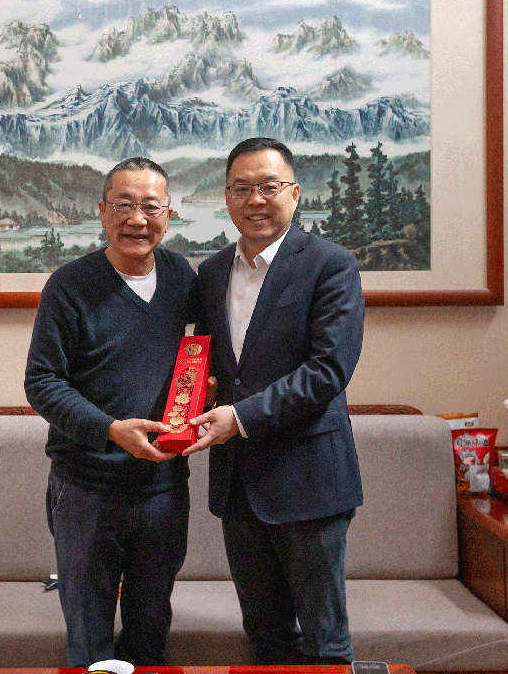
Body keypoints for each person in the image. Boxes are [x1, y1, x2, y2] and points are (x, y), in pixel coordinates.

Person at [185, 137, 365, 664]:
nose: (255, 200)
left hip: (309, 478)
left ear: (295, 193)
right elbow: (209, 364)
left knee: (325, 645)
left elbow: (328, 370)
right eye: (241, 189)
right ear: (227, 197)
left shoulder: (331, 264)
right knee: (265, 640)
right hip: (238, 485)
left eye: (268, 186)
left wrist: (239, 417)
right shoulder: (211, 272)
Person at [24, 157, 199, 667]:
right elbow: (41, 382)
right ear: (102, 211)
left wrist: (207, 389)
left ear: (169, 215)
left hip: (162, 488)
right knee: (89, 644)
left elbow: (202, 352)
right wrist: (111, 430)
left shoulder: (179, 276)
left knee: (150, 634)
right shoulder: (69, 286)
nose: (137, 219)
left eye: (150, 207)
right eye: (123, 205)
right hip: (87, 489)